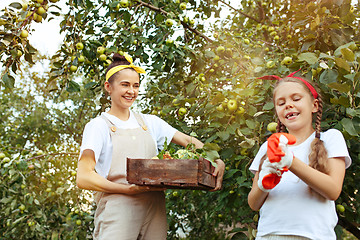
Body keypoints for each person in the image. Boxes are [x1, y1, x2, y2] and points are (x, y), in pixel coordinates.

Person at [76, 52, 225, 240]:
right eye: (125, 85)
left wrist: (216, 159)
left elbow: (189, 142)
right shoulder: (98, 126)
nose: (131, 91)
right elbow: (83, 177)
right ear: (108, 87)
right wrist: (128, 189)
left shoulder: (150, 122)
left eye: (135, 85)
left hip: (154, 207)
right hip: (119, 205)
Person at [247, 71, 352, 240]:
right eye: (281, 103)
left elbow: (333, 190)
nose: (288, 105)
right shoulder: (268, 147)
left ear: (314, 105)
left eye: (296, 99)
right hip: (269, 235)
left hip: (314, 236)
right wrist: (263, 183)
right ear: (277, 113)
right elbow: (253, 203)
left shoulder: (330, 138)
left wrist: (291, 162)